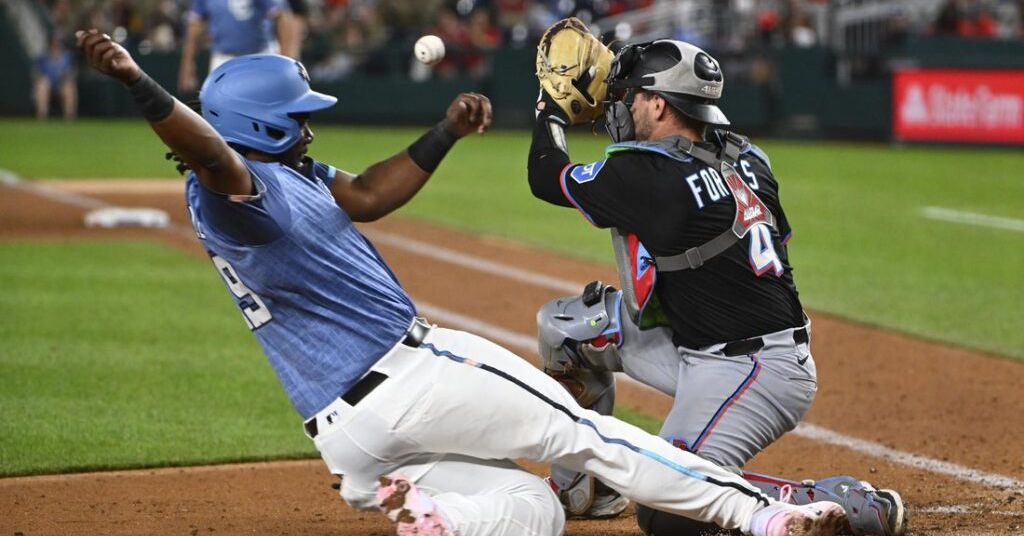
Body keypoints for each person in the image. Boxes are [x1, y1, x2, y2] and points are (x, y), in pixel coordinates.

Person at [76, 27, 850, 536]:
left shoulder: (295, 176)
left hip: (349, 443)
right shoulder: (237, 189)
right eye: (297, 115)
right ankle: (766, 519)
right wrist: (141, 83)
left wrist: (444, 133)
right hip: (414, 376)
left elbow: (371, 195)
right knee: (591, 435)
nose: (311, 125)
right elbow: (212, 154)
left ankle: (436, 515)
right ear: (255, 127)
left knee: (530, 511)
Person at [529, 38, 907, 536]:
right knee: (568, 330)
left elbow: (545, 174)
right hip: (707, 338)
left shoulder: (648, 174)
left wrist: (550, 111)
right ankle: (588, 490)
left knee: (666, 510)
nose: (622, 105)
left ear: (659, 104)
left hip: (751, 370)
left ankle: (830, 501)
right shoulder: (751, 156)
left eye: (632, 96)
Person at [178, 0, 300, 93]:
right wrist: (187, 65)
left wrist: (287, 60)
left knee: (265, 108)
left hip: (259, 55)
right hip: (222, 58)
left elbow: (283, 17)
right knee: (218, 110)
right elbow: (195, 27)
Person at [33, 34, 77, 120]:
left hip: (62, 85)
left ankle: (69, 117)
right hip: (47, 85)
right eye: (54, 42)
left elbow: (72, 73)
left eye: (58, 42)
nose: (56, 44)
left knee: (69, 86)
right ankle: (42, 116)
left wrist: (66, 78)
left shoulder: (67, 56)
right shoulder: (43, 57)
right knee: (42, 85)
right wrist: (42, 80)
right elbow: (36, 74)